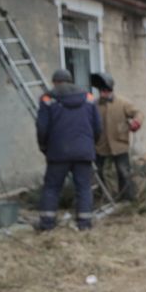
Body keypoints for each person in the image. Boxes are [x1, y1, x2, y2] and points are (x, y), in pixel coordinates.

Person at [36, 68, 101, 231]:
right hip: (83, 152)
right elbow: (98, 126)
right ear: (71, 81)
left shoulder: (47, 98)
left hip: (58, 152)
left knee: (52, 188)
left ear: (56, 82)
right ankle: (85, 224)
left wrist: (44, 147)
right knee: (84, 187)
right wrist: (91, 144)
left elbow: (42, 128)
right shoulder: (88, 97)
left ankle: (47, 224)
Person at [92, 71, 142, 201]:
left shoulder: (123, 103)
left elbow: (138, 113)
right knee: (102, 172)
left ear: (110, 90)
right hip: (101, 145)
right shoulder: (94, 105)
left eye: (105, 90)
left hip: (119, 144)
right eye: (101, 90)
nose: (103, 93)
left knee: (123, 172)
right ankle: (107, 197)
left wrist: (136, 122)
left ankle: (127, 198)